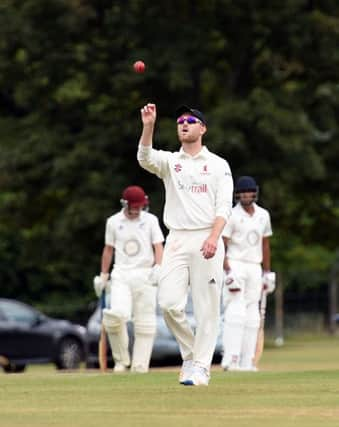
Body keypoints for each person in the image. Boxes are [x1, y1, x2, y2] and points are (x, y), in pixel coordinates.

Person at [137, 103, 233, 386]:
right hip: (177, 238)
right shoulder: (170, 162)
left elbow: (224, 207)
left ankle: (202, 366)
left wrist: (214, 238)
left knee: (207, 307)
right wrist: (148, 126)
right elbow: (144, 158)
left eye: (190, 120)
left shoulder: (217, 165)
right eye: (180, 121)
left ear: (202, 128)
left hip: (207, 236)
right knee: (168, 304)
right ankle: (192, 356)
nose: (184, 124)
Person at [94, 185, 164, 373]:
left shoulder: (150, 220)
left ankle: (140, 365)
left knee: (146, 322)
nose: (137, 210)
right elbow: (108, 249)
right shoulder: (113, 222)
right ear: (125, 204)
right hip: (121, 274)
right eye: (134, 207)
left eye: (140, 206)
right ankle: (121, 361)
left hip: (145, 274)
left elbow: (158, 245)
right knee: (115, 316)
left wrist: (158, 267)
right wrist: (103, 274)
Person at [221, 176, 275, 372]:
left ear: (255, 193)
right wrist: (227, 270)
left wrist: (267, 272)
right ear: (237, 194)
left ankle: (247, 361)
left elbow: (265, 244)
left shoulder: (263, 215)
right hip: (235, 264)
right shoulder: (231, 215)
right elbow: (222, 246)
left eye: (249, 192)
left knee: (252, 315)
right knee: (236, 311)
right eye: (242, 192)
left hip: (255, 266)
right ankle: (230, 359)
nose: (245, 195)